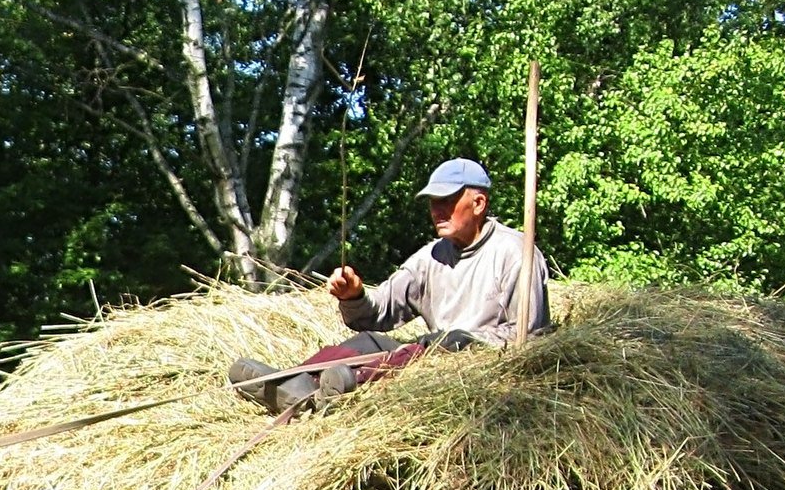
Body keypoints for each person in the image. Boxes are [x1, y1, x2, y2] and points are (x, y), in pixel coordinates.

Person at [229, 158, 549, 414]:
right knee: (370, 341)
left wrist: (464, 344)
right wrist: (354, 295)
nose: (437, 210)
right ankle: (292, 382)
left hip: (478, 365)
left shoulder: (516, 253)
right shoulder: (430, 257)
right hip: (430, 352)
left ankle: (349, 382)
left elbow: (528, 338)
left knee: (449, 339)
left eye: (447, 200)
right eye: (433, 202)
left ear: (478, 203)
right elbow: (380, 312)